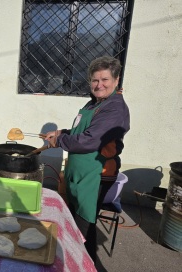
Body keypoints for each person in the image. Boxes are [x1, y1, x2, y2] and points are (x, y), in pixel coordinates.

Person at [44, 56, 130, 262]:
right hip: (80, 175)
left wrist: (61, 140)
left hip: (95, 176)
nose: (99, 85)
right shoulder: (94, 104)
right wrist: (63, 131)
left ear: (117, 80)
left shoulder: (114, 108)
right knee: (75, 225)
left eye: (105, 80)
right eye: (94, 80)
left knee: (83, 230)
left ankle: (85, 264)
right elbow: (82, 131)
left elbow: (90, 141)